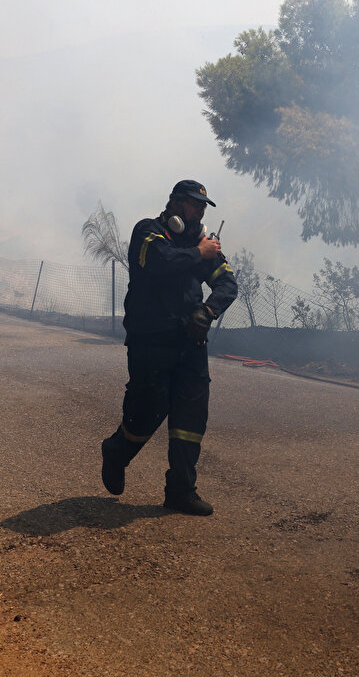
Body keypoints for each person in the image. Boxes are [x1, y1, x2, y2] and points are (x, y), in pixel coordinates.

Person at [100, 180, 238, 515]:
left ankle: (180, 492)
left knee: (191, 418)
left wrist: (208, 310)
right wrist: (198, 253)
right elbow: (160, 262)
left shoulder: (202, 244)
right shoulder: (149, 231)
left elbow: (227, 282)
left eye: (204, 206)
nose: (200, 211)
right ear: (175, 204)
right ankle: (117, 451)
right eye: (194, 204)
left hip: (190, 341)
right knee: (148, 409)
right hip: (151, 340)